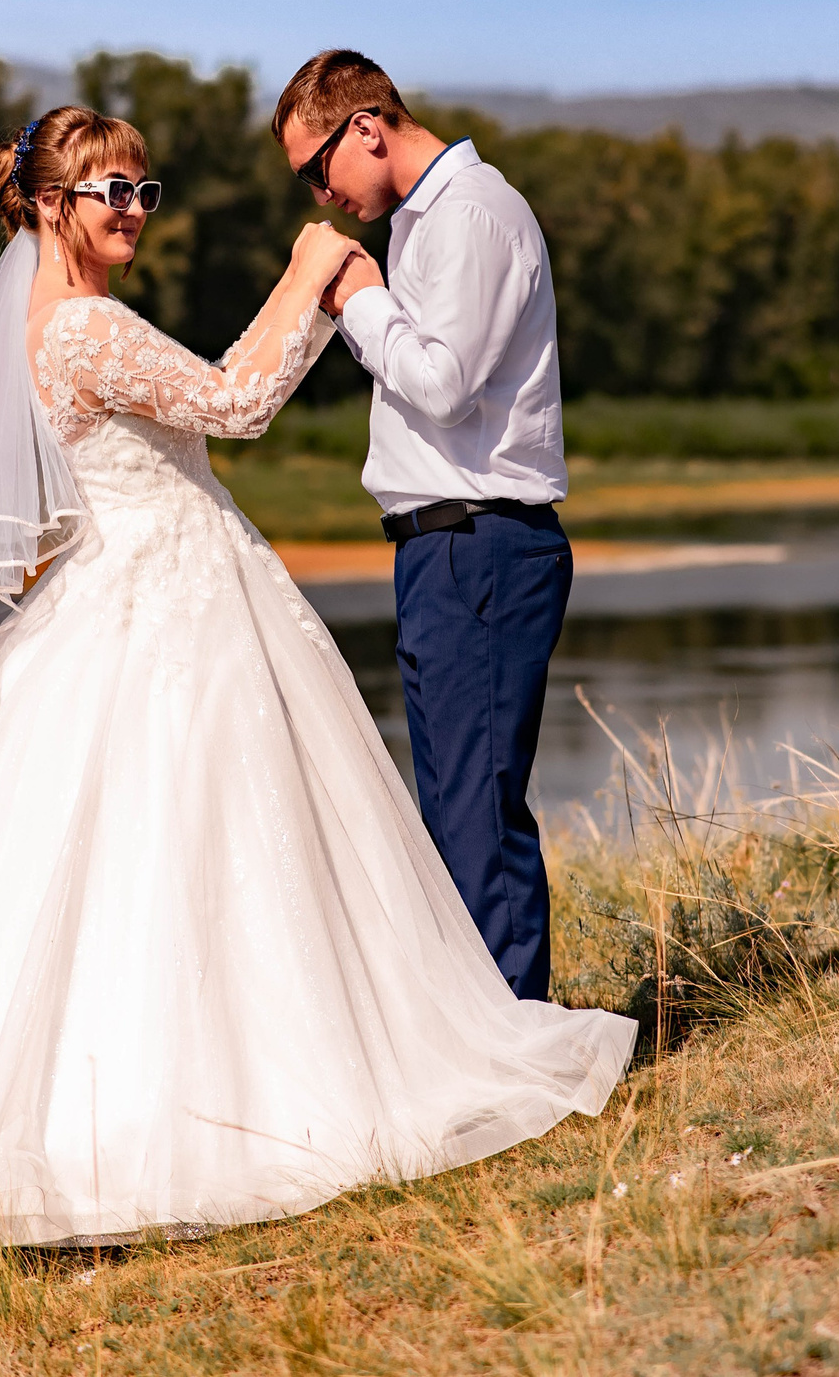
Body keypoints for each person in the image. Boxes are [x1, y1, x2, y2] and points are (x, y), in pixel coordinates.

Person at [0, 105, 634, 1253]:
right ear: (51, 205)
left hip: (136, 591)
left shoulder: (43, 325)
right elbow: (234, 403)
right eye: (111, 192)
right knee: (175, 850)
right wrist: (306, 273)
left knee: (163, 857)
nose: (135, 209)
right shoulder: (82, 327)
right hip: (165, 603)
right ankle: (181, 1121)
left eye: (144, 187)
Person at [272, 50, 570, 1001]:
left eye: (318, 169)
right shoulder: (426, 223)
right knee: (450, 812)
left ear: (366, 127)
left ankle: (523, 1042)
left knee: (478, 815)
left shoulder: (473, 213)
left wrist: (358, 297)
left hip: (481, 540)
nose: (321, 193)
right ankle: (489, 1033)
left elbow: (442, 385)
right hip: (443, 548)